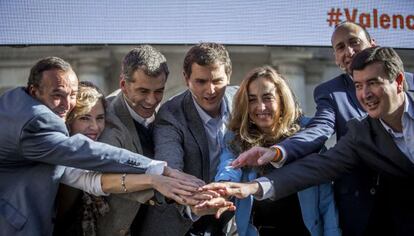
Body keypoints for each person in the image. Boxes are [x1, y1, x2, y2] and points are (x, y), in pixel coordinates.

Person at [204, 46, 414, 236]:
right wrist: (243, 187)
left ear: (398, 81)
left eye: (373, 83)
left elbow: (323, 195)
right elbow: (316, 168)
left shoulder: (306, 133)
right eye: (358, 86)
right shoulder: (360, 132)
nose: (365, 94)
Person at [0, 57, 197, 236]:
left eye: (72, 95)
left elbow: (90, 179)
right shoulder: (38, 123)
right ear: (35, 91)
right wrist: (157, 171)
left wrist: (156, 180)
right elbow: (87, 155)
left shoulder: (16, 102)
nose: (66, 103)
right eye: (57, 94)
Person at [53, 82, 201, 236]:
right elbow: (99, 181)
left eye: (100, 118)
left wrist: (164, 182)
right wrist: (155, 178)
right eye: (84, 118)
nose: (95, 127)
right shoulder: (57, 152)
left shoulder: (103, 140)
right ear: (69, 120)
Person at [215, 66, 340, 236]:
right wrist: (222, 187)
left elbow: (327, 202)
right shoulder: (236, 139)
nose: (261, 107)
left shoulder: (305, 140)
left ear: (282, 100)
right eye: (252, 99)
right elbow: (229, 166)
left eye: (267, 98)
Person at [152, 42, 238, 235]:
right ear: (186, 79)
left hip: (240, 214)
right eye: (201, 81)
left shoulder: (244, 101)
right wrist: (193, 202)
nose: (211, 90)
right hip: (192, 216)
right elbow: (170, 169)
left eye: (217, 81)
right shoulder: (170, 114)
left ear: (229, 76)